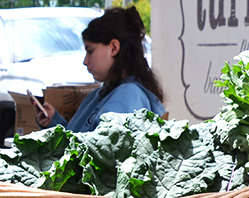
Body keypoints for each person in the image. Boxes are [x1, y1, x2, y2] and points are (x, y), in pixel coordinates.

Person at [35, 7, 164, 133]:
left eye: (90, 51)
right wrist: (53, 123)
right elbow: (78, 142)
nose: (85, 61)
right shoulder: (104, 93)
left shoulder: (127, 96)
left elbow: (95, 151)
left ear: (113, 48)